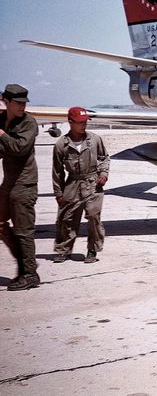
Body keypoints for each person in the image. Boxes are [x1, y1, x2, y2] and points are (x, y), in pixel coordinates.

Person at [52, 107, 110, 263]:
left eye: (85, 122)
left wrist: (103, 174)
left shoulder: (95, 140)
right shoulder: (61, 145)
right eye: (80, 123)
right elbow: (57, 171)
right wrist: (58, 192)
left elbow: (104, 158)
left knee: (93, 216)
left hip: (93, 183)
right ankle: (64, 250)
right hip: (72, 183)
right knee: (66, 218)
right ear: (70, 122)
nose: (84, 125)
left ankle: (92, 250)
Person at [0, 84, 40, 290]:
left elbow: (19, 148)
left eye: (24, 103)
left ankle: (30, 273)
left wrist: (2, 135)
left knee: (24, 231)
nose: (22, 107)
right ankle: (24, 265)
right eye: (18, 103)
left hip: (24, 184)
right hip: (8, 183)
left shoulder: (28, 122)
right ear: (5, 101)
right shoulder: (2, 121)